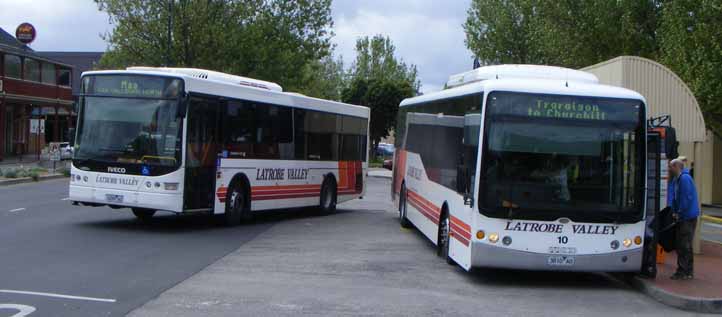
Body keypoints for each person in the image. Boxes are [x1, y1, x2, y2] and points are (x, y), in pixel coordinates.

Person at [669, 158, 700, 280]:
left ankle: (683, 271)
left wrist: (679, 213)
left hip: (687, 217)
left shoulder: (684, 179)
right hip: (685, 216)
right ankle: (687, 271)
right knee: (684, 244)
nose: (669, 169)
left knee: (683, 244)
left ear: (677, 166)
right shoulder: (679, 179)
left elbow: (686, 198)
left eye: (671, 167)